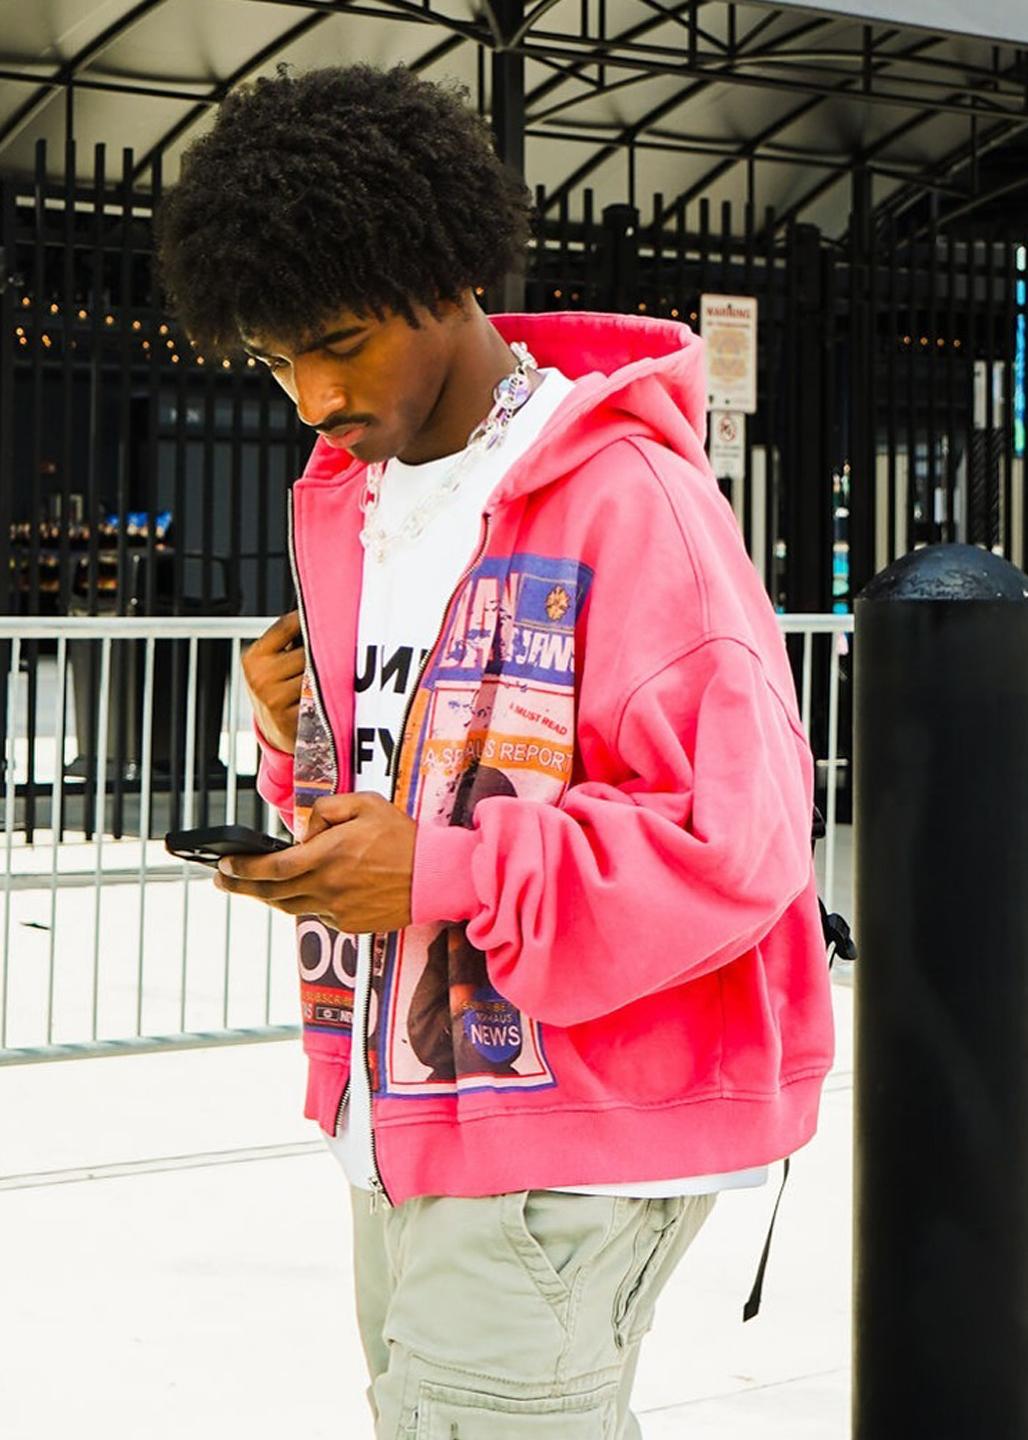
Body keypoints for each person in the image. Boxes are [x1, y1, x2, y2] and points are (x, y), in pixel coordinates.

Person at [156, 63, 835, 1439]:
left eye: (338, 342)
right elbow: (419, 791)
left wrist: (443, 873)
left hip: (571, 1132)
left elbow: (738, 841)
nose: (310, 395)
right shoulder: (355, 505)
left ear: (446, 276)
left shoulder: (630, 498)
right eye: (276, 359)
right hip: (402, 1113)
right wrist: (294, 745)